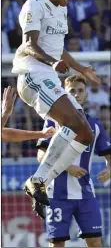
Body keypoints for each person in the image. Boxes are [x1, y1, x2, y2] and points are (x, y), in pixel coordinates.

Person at [12, 0, 100, 208]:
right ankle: (38, 180)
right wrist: (53, 63)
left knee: (85, 133)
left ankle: (39, 181)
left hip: (49, 76)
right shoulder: (34, 5)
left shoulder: (62, 9)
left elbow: (58, 48)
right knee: (73, 122)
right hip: (32, 75)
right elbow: (30, 44)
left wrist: (82, 69)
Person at [36, 74, 111, 247]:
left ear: (86, 95)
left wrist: (109, 169)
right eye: (72, 91)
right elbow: (41, 156)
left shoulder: (95, 125)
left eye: (80, 91)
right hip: (56, 195)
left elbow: (109, 156)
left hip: (85, 194)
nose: (76, 94)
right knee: (57, 244)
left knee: (94, 241)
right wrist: (68, 167)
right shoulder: (53, 122)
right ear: (65, 94)